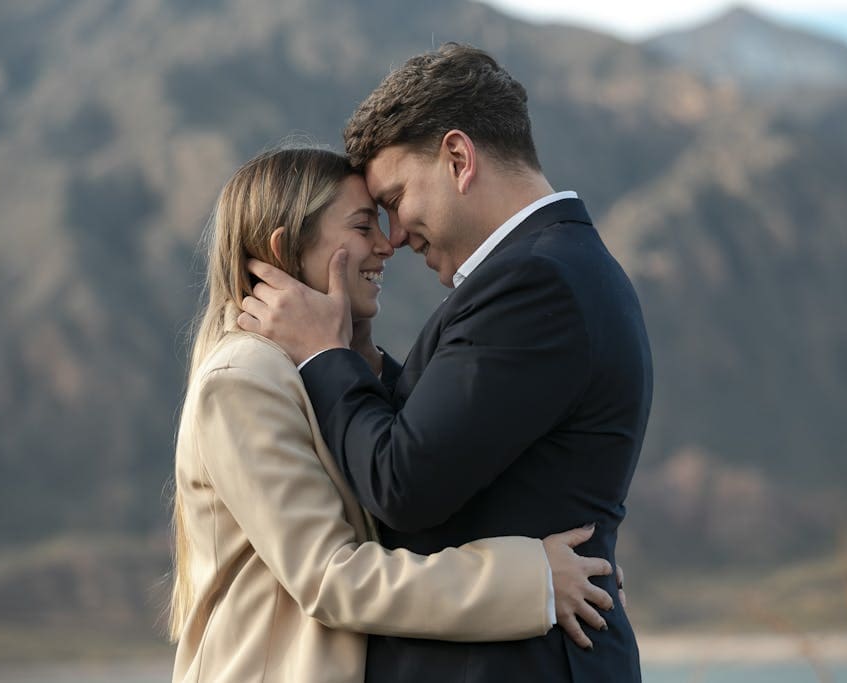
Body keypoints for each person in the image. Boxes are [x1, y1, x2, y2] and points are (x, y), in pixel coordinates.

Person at [238, 44, 653, 682]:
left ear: (458, 158)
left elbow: (404, 482)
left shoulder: (536, 284)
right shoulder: (555, 271)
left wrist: (322, 354)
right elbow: (452, 436)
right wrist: (361, 358)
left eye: (397, 197)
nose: (395, 236)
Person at [169, 146, 619, 683]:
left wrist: (587, 568)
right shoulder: (244, 380)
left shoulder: (324, 371)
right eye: (363, 227)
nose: (388, 245)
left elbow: (415, 482)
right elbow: (331, 577)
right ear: (285, 245)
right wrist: (535, 583)